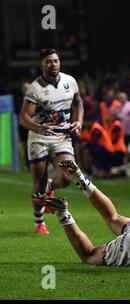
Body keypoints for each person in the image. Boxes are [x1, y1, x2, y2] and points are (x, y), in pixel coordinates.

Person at [19, 48, 84, 234]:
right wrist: (39, 127)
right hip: (39, 138)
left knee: (67, 177)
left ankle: (50, 186)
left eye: (55, 61)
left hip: (62, 137)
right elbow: (23, 117)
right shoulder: (35, 89)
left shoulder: (70, 81)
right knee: (37, 183)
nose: (53, 64)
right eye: (48, 61)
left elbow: (78, 102)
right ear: (42, 65)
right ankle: (39, 221)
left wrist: (78, 122)